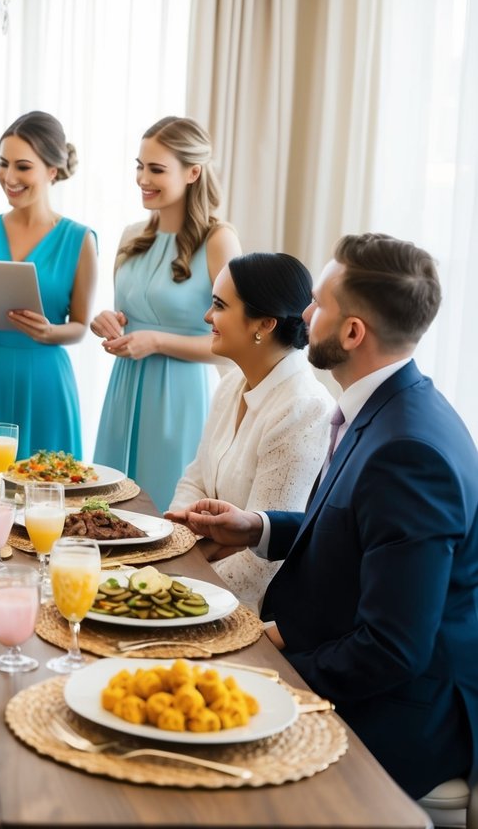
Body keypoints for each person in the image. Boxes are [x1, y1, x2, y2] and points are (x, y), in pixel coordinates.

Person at [167, 233, 478, 798]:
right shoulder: (383, 408)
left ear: (353, 332)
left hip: (402, 715)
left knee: (186, 749)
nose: (304, 315)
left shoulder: (409, 452)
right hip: (355, 664)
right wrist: (257, 526)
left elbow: (393, 648)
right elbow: (351, 533)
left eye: (318, 304)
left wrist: (269, 675)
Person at [91, 116, 241, 509]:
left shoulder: (219, 240)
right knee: (107, 510)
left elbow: (234, 343)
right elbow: (125, 315)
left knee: (162, 512)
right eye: (139, 166)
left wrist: (157, 341)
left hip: (178, 396)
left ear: (193, 172)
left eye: (156, 169)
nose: (143, 178)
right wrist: (105, 322)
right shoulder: (131, 236)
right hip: (123, 390)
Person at [168, 252, 332, 610]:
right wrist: (174, 551)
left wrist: (174, 590)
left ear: (264, 324)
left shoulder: (303, 408)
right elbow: (194, 480)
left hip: (243, 608)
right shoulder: (231, 385)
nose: (207, 316)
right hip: (195, 574)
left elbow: (261, 561)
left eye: (219, 306)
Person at [0, 111, 97, 457]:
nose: (9, 176)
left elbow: (78, 326)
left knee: (46, 489)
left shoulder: (79, 239)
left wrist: (49, 332)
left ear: (52, 170)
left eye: (23, 166)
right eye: (3, 163)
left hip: (45, 379)